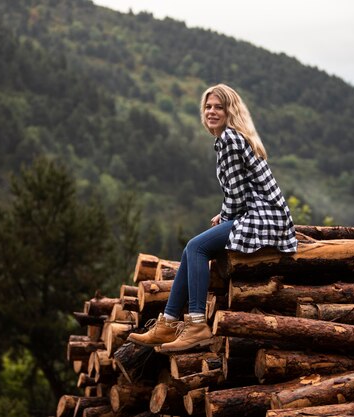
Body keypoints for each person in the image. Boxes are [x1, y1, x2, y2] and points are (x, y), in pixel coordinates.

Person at [127, 83, 298, 352]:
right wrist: (225, 214)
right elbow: (242, 190)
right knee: (192, 248)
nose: (212, 111)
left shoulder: (229, 139)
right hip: (266, 214)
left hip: (264, 218)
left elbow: (238, 195)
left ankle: (196, 325)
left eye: (219, 107)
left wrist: (228, 214)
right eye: (208, 107)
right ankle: (168, 323)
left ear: (230, 111)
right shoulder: (232, 137)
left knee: (196, 247)